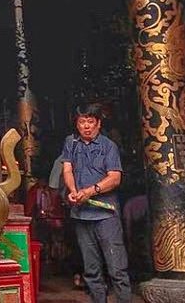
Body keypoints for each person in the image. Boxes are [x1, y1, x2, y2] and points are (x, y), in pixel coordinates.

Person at [61, 103, 131, 303]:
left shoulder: (109, 146)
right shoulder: (71, 143)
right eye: (82, 122)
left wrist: (91, 191)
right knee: (91, 270)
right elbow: (67, 169)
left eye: (90, 122)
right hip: (82, 214)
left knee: (117, 268)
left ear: (99, 124)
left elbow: (115, 178)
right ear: (77, 124)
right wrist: (74, 192)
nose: (86, 126)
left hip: (106, 215)